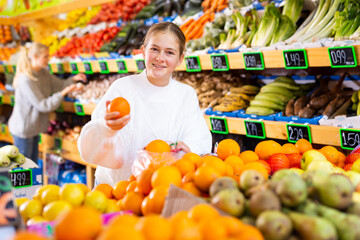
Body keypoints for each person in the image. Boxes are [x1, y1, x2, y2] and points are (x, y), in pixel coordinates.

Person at [78, 22, 212, 186]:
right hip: (114, 188)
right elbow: (91, 145)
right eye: (154, 49)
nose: (160, 58)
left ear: (180, 59)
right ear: (143, 51)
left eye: (169, 52)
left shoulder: (186, 94)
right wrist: (106, 128)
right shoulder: (122, 88)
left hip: (160, 187)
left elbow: (199, 139)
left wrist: (189, 147)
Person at [8, 42, 86, 163]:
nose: (48, 59)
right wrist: (65, 92)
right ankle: (19, 183)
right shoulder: (26, 80)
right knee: (22, 169)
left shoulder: (43, 73)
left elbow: (58, 85)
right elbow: (43, 105)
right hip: (23, 129)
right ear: (34, 57)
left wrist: (73, 79)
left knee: (31, 165)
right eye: (45, 56)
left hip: (34, 127)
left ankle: (32, 183)